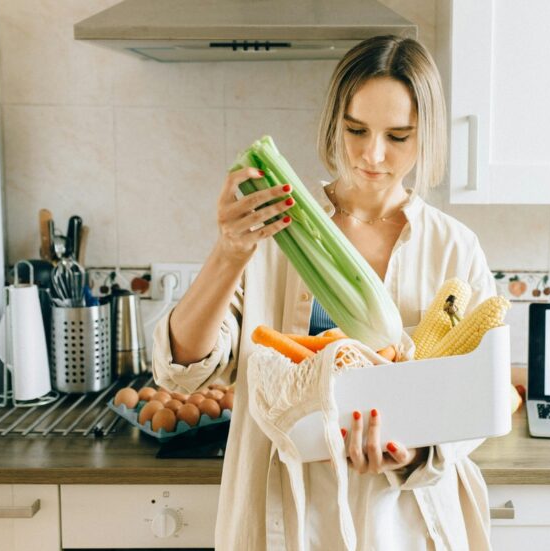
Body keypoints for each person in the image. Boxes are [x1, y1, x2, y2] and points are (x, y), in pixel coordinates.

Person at [152, 35, 497, 550]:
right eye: (356, 129)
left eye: (398, 136)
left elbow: (475, 398)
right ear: (334, 120)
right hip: (281, 516)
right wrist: (228, 252)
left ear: (427, 136)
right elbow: (183, 369)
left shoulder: (454, 247)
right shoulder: (277, 231)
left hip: (402, 520)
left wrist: (417, 454)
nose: (372, 155)